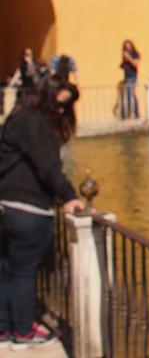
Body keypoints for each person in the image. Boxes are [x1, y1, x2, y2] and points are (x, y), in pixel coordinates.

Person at [0, 75, 85, 349]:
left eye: (65, 106)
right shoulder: (33, 121)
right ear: (44, 99)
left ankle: (4, 329)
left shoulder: (19, 117)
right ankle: (23, 333)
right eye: (58, 104)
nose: (60, 111)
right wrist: (69, 196)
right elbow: (47, 167)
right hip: (28, 209)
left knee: (7, 270)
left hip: (7, 207)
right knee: (23, 273)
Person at [119, 39, 140, 119]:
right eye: (125, 46)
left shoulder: (135, 54)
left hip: (132, 76)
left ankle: (125, 114)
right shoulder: (125, 54)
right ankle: (136, 113)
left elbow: (135, 64)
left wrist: (129, 57)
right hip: (127, 77)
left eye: (128, 45)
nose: (127, 47)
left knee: (128, 94)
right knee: (131, 94)